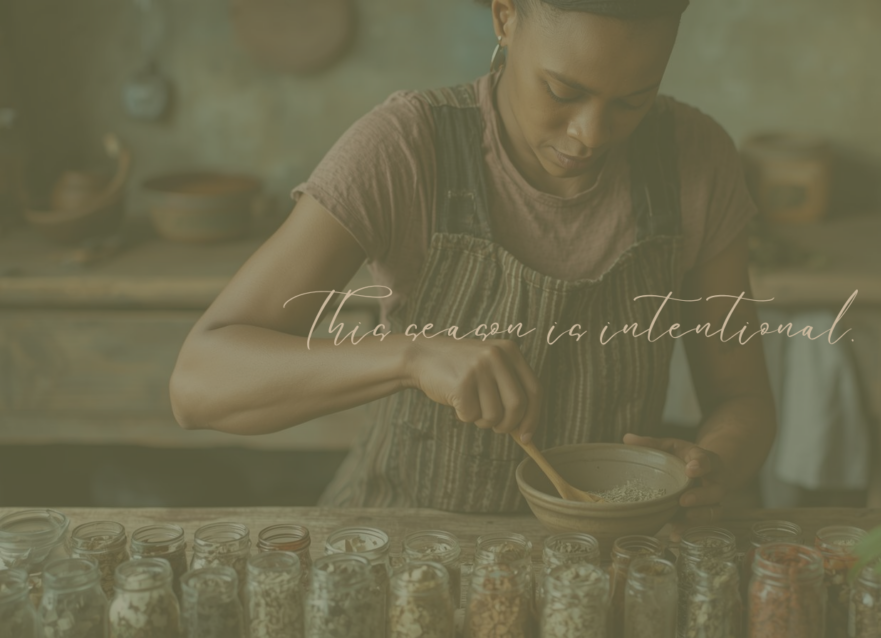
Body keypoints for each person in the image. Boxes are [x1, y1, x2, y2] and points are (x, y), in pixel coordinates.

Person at [170, 0, 777, 525]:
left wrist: (711, 464)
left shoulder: (695, 159)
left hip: (604, 557)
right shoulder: (407, 148)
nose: (590, 133)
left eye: (633, 101)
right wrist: (410, 356)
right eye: (563, 91)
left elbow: (741, 397)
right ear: (505, 16)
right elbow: (199, 384)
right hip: (408, 548)